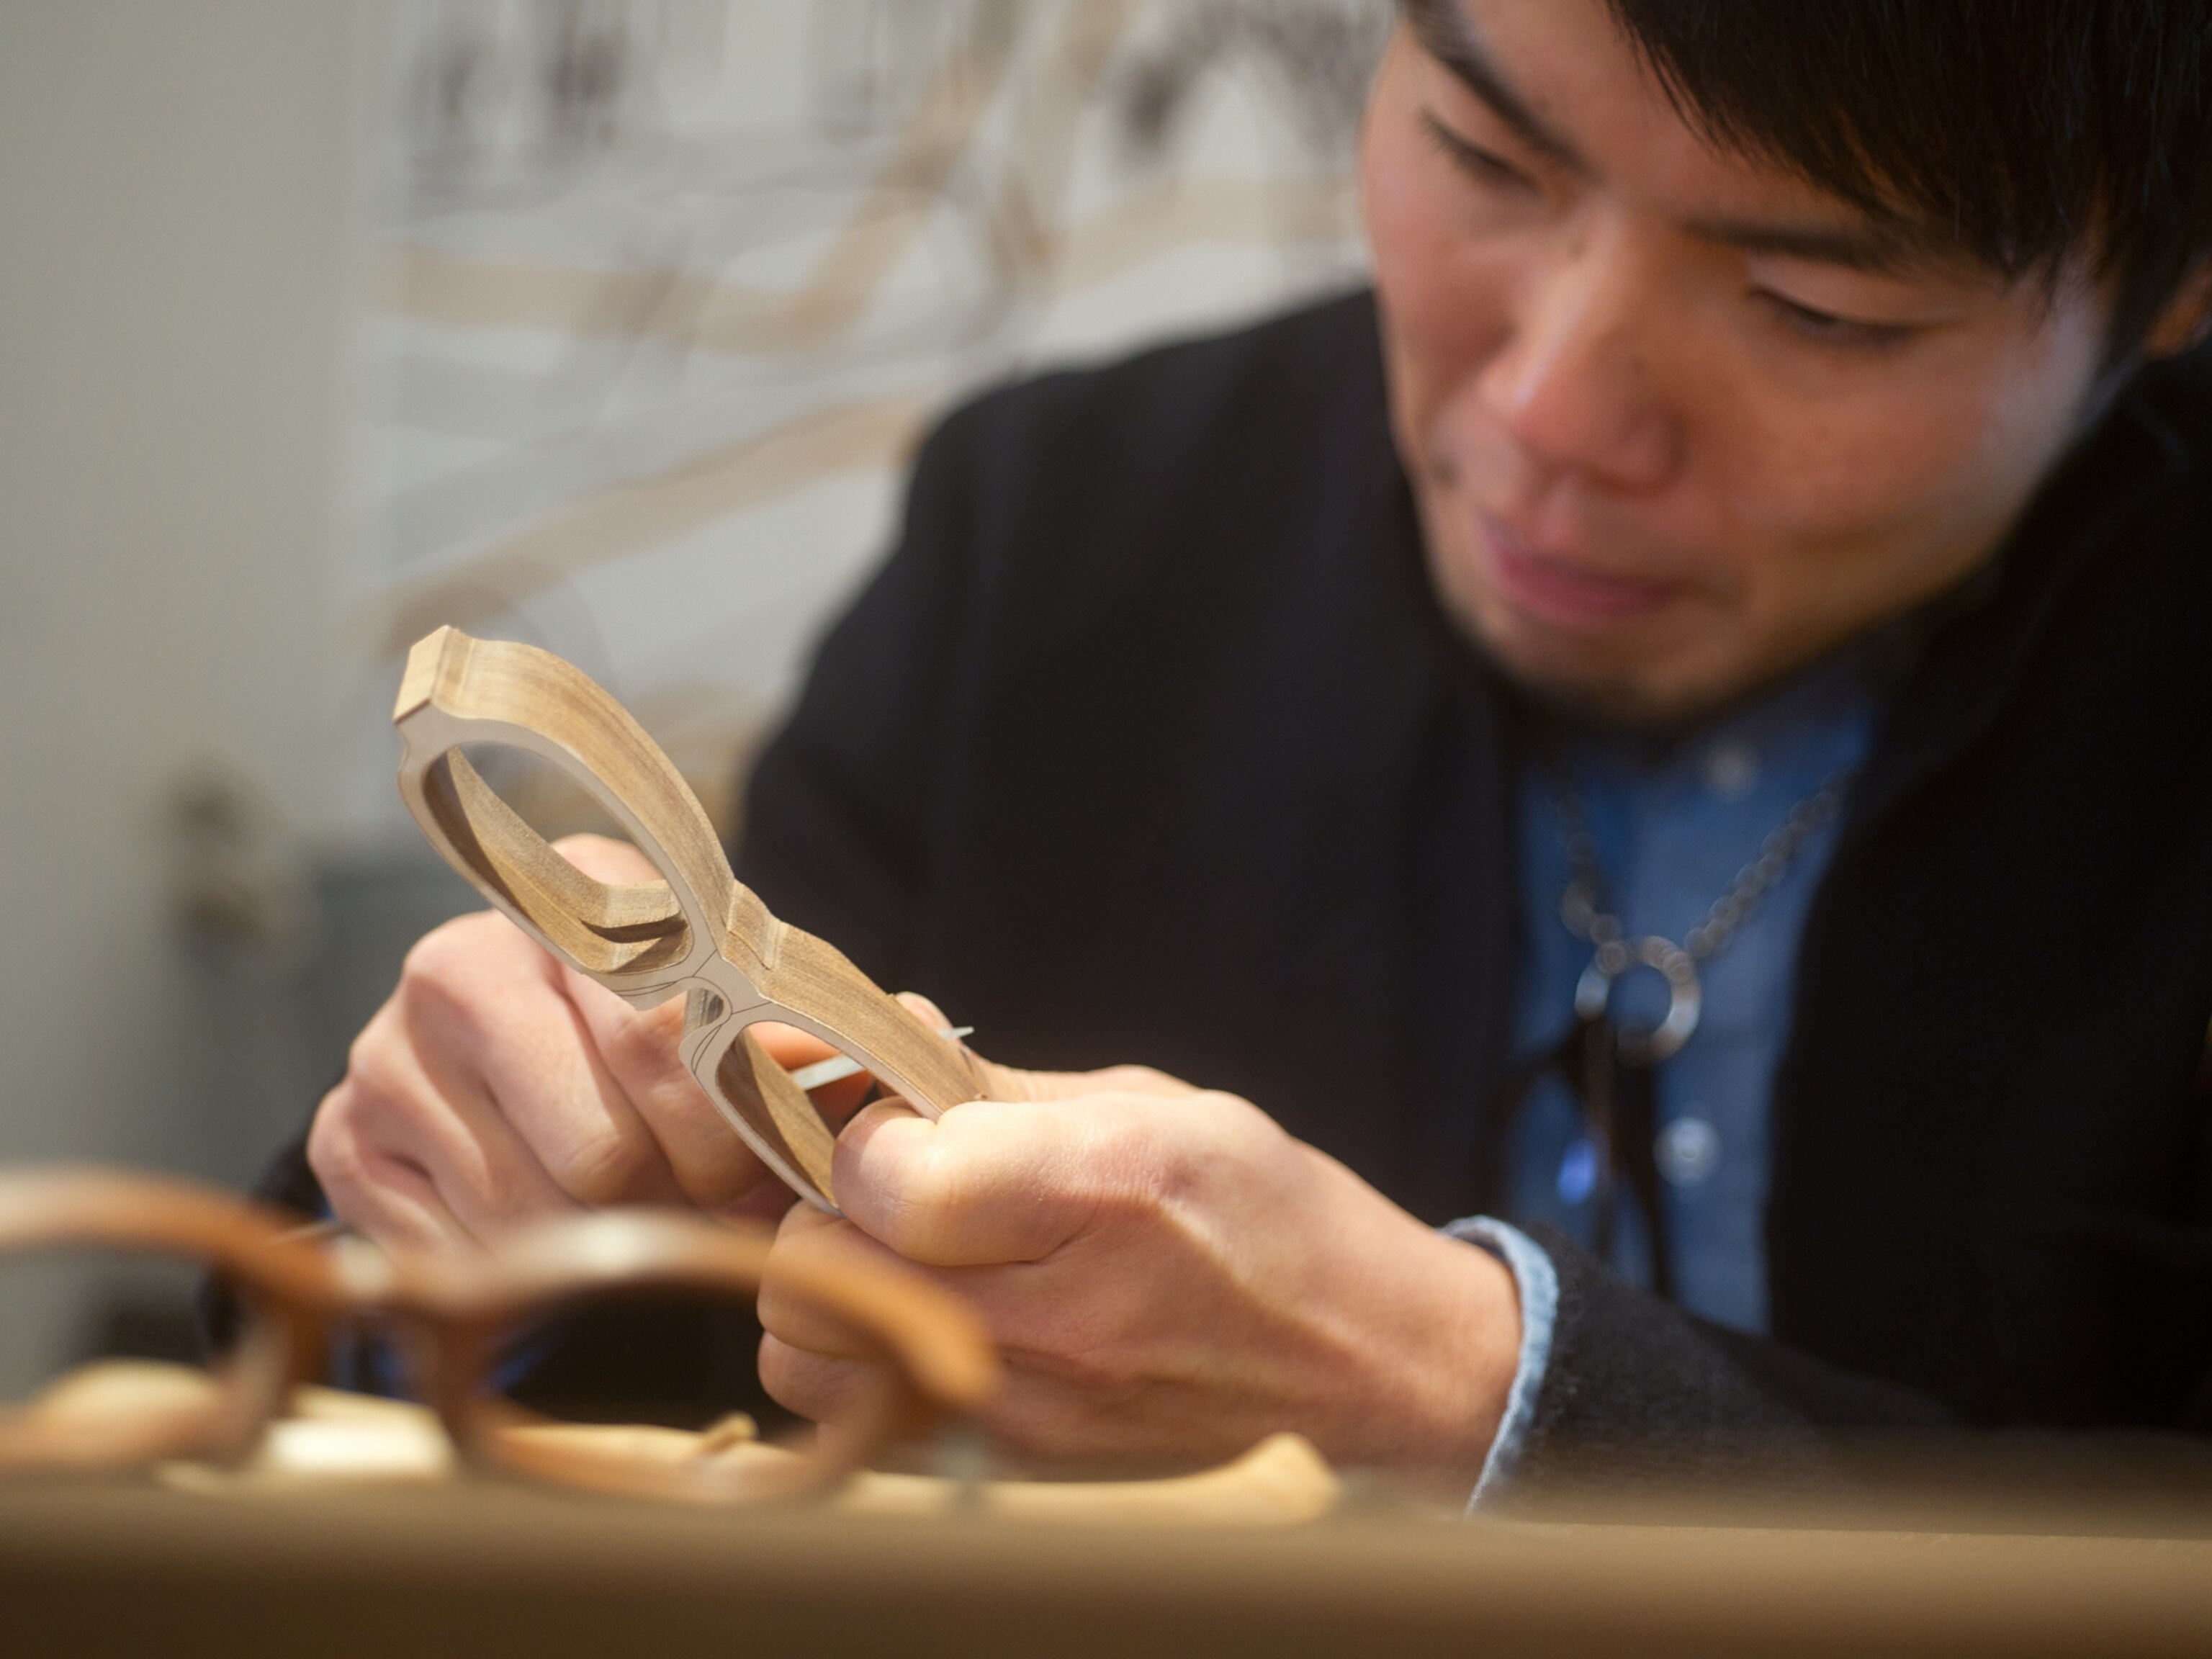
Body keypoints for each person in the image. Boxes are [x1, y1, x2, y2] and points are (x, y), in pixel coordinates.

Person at [276, 0, 2212, 1500]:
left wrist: (1482, 1401)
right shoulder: (1054, 539)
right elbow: (667, 1382)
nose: (1546, 411)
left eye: (1816, 306)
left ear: (2173, 299)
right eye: (1482, 153)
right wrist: (505, 1218)